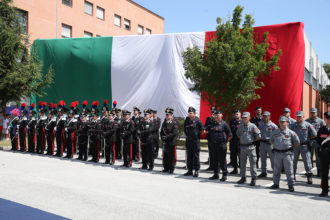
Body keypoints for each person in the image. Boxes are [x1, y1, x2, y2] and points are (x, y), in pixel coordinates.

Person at [269, 116, 300, 192]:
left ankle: (291, 185)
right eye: (280, 122)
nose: (281, 123)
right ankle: (276, 184)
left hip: (287, 154)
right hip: (277, 153)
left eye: (283, 122)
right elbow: (271, 141)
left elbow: (297, 143)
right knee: (276, 170)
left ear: (287, 123)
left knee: (289, 170)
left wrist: (289, 148)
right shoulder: (274, 132)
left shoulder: (291, 133)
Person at [291, 111, 317, 184]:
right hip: (295, 146)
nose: (298, 117)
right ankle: (292, 176)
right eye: (297, 116)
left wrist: (309, 140)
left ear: (303, 116)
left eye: (300, 116)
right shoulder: (293, 125)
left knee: (307, 162)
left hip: (305, 146)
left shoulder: (308, 125)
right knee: (293, 161)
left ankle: (309, 177)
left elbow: (314, 134)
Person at [236, 112, 261, 186]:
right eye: (243, 118)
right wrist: (244, 140)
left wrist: (250, 141)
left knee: (252, 163)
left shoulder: (253, 126)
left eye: (246, 118)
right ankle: (243, 177)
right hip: (242, 147)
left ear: (249, 118)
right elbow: (238, 135)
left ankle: (253, 178)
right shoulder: (240, 126)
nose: (244, 119)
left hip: (251, 147)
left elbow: (258, 136)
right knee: (242, 163)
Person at [208, 110, 232, 181]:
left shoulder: (224, 124)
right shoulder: (212, 124)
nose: (216, 116)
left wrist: (226, 142)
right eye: (215, 115)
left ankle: (224, 174)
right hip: (213, 145)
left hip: (221, 145)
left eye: (218, 115)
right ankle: (216, 174)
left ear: (221, 116)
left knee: (222, 160)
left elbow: (230, 134)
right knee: (214, 160)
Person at [183, 107, 204, 177]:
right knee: (189, 156)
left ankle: (196, 170)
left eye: (191, 113)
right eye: (189, 113)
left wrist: (198, 135)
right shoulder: (187, 119)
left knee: (195, 156)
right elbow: (184, 128)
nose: (189, 114)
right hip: (189, 140)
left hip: (195, 141)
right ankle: (190, 170)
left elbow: (202, 129)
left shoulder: (197, 120)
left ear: (194, 114)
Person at [258, 111, 278, 177]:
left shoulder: (273, 125)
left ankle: (275, 172)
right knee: (263, 159)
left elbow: (277, 135)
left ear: (269, 117)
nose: (265, 117)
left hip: (270, 144)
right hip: (262, 143)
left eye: (266, 116)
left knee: (273, 159)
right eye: (264, 116)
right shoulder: (260, 124)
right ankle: (263, 172)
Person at [306, 107, 325, 176]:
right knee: (309, 157)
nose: (313, 114)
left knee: (318, 157)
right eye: (311, 113)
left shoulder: (321, 121)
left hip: (317, 142)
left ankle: (319, 171)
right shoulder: (307, 121)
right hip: (309, 141)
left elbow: (324, 131)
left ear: (317, 113)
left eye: (314, 113)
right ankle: (309, 171)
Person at [160, 108, 179, 174]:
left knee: (171, 156)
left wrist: (167, 136)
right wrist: (162, 137)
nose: (167, 116)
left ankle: (171, 168)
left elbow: (174, 132)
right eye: (166, 115)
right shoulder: (165, 122)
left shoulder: (175, 122)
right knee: (165, 155)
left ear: (171, 115)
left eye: (168, 115)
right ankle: (166, 168)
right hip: (166, 141)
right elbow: (162, 130)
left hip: (172, 141)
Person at [316, 111, 330, 197]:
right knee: (324, 173)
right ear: (325, 119)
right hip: (324, 155)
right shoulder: (321, 130)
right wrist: (319, 150)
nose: (329, 120)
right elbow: (318, 141)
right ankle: (324, 190)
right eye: (327, 118)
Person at [228, 109, 242, 174]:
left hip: (240, 141)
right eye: (235, 114)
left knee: (241, 156)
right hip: (233, 141)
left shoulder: (243, 122)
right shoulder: (232, 122)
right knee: (233, 156)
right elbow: (229, 130)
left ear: (240, 114)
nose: (236, 115)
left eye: (237, 114)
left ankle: (242, 169)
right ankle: (235, 169)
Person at [204, 106, 216, 171]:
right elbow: (205, 126)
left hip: (216, 139)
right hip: (210, 138)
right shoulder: (208, 119)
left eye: (214, 113)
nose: (212, 115)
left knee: (216, 153)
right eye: (212, 113)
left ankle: (217, 167)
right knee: (211, 153)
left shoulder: (218, 120)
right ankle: (211, 166)